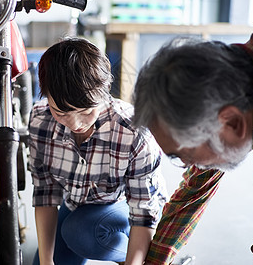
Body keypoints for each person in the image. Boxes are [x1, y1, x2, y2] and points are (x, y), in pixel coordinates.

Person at [132, 8, 253, 265]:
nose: (189, 166)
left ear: (233, 123)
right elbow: (194, 191)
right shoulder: (223, 87)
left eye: (187, 155)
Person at [28, 37, 168, 265]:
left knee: (80, 232)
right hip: (76, 205)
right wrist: (46, 261)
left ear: (102, 95)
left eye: (85, 112)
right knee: (63, 241)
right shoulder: (40, 120)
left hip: (125, 205)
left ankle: (142, 256)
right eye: (61, 112)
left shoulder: (133, 132)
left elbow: (143, 214)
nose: (74, 123)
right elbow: (45, 195)